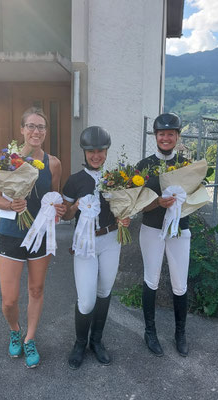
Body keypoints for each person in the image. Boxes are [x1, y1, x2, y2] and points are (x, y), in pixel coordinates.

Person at [0, 107, 66, 368]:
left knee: (36, 289)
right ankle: (15, 329)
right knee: (9, 299)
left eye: (41, 127)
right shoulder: (7, 160)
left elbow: (54, 198)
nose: (36, 131)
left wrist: (59, 209)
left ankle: (30, 338)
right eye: (31, 126)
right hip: (11, 233)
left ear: (46, 132)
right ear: (22, 130)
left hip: (41, 236)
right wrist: (11, 206)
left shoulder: (53, 163)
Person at [61, 126, 130, 369]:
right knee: (87, 300)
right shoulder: (74, 181)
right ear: (84, 151)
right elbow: (66, 215)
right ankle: (80, 343)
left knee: (104, 291)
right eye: (91, 151)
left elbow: (124, 207)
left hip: (111, 240)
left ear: (107, 151)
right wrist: (74, 206)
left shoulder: (116, 178)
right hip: (85, 243)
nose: (96, 155)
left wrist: (125, 217)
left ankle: (96, 341)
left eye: (100, 150)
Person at [136, 112, 190, 358]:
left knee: (180, 283)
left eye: (170, 134)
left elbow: (194, 201)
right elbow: (138, 206)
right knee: (151, 280)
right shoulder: (143, 166)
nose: (166, 138)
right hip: (152, 229)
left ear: (177, 137)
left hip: (180, 230)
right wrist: (157, 202)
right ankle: (150, 332)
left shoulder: (187, 166)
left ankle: (180, 333)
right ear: (155, 136)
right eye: (161, 134)